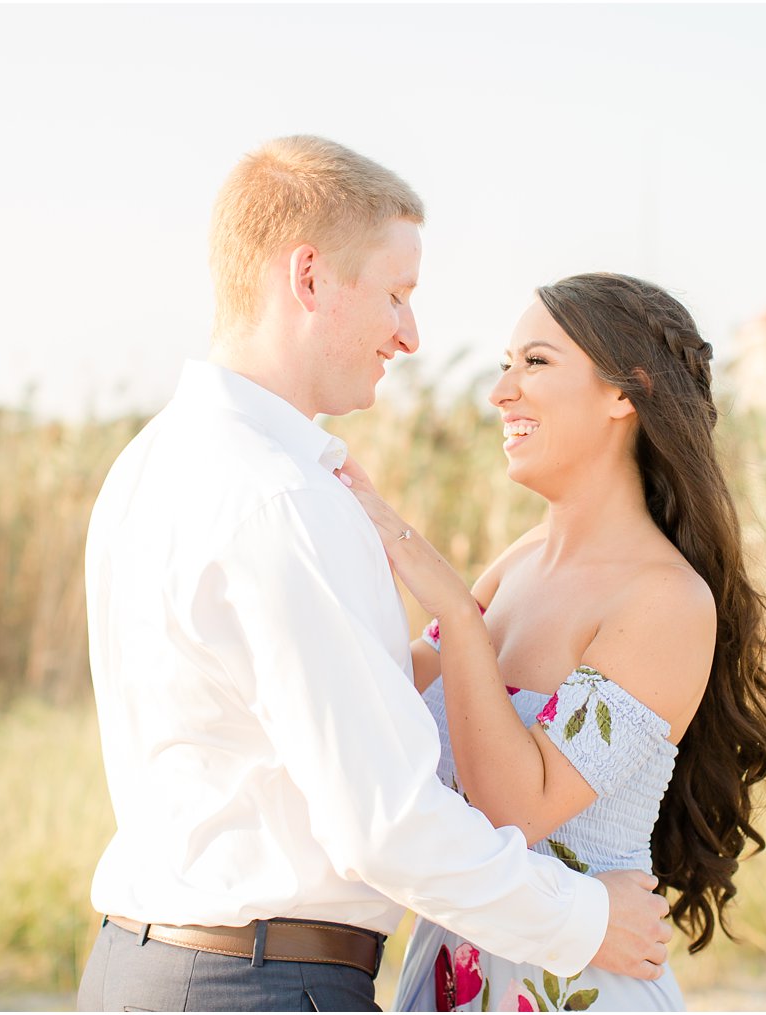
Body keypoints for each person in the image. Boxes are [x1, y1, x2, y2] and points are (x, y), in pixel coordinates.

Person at [75, 139, 672, 1013]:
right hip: (261, 984)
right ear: (309, 277)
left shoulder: (147, 466)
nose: (410, 334)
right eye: (396, 294)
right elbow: (384, 823)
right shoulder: (278, 497)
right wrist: (586, 919)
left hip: (144, 970)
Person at [338, 272, 766, 1011]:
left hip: (573, 989)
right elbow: (379, 705)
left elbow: (519, 807)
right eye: (504, 364)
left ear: (624, 393)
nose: (501, 393)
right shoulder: (515, 565)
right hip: (450, 976)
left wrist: (451, 602)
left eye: (536, 363)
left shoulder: (665, 600)